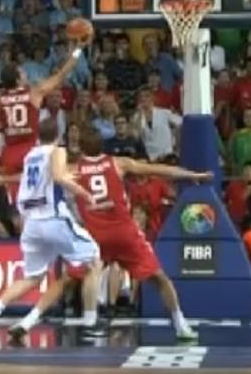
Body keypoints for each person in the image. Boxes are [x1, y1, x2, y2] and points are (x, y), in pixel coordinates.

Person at [71, 128, 210, 340]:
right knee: (160, 278)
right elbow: (157, 169)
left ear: (81, 148)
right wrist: (191, 175)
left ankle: (88, 322)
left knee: (80, 276)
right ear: (103, 146)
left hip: (96, 234)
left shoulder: (74, 169)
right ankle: (180, 324)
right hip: (124, 232)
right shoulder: (118, 163)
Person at [0, 118, 100, 347]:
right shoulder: (57, 150)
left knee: (32, 277)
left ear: (37, 136)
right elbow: (58, 176)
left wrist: (3, 179)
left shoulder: (31, 155)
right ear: (58, 135)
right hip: (53, 218)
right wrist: (84, 194)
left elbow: (30, 178)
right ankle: (91, 323)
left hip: (32, 225)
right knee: (93, 257)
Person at [0, 40, 89, 175]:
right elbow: (62, 74)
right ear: (17, 80)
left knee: (11, 187)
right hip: (30, 150)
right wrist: (78, 49)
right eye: (22, 73)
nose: (25, 74)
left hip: (9, 152)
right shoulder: (34, 92)